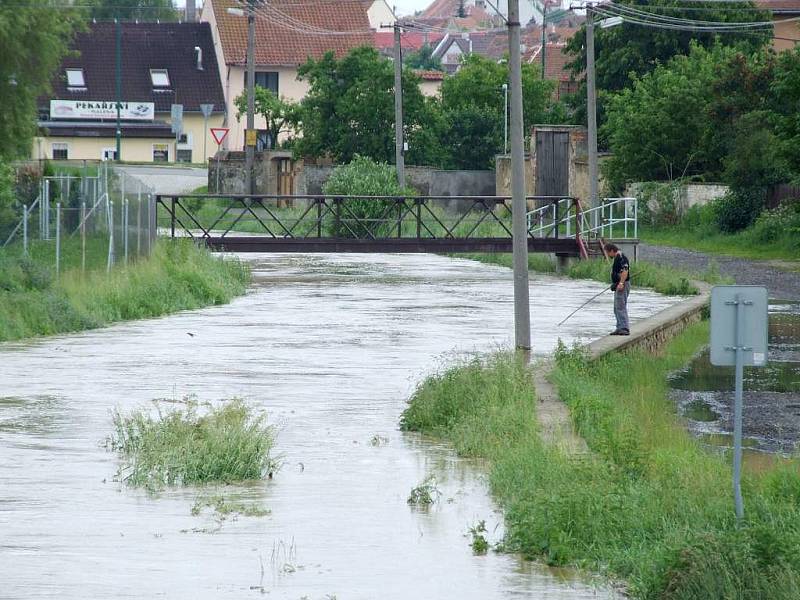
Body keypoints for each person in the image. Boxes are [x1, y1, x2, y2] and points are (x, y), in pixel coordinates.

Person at [605, 243, 630, 336]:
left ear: (612, 251)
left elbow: (625, 270)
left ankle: (624, 328)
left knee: (620, 306)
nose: (607, 255)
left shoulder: (621, 257)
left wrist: (621, 283)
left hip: (622, 285)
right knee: (616, 307)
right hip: (618, 285)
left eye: (607, 252)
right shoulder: (617, 257)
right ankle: (619, 327)